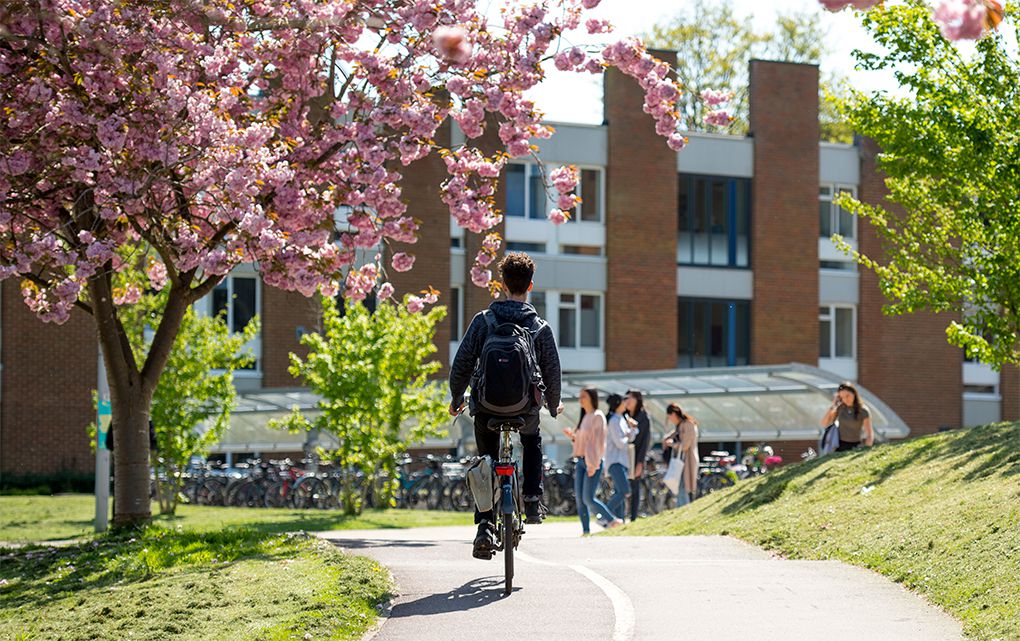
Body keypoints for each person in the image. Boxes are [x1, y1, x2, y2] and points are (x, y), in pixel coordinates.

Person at [449, 252, 563, 560]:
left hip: (486, 410)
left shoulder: (484, 321)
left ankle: (484, 525)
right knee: (532, 440)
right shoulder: (539, 326)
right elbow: (552, 372)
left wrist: (457, 398)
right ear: (531, 286)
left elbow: (461, 364)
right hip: (524, 411)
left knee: (485, 458)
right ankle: (532, 499)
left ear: (502, 284)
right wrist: (553, 406)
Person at [562, 387, 623, 535]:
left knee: (588, 499)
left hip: (592, 461)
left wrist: (592, 464)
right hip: (581, 461)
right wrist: (573, 437)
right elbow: (583, 442)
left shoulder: (598, 416)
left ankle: (612, 520)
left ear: (591, 398)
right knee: (581, 500)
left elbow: (597, 443)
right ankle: (586, 531)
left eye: (583, 396)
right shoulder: (585, 416)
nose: (580, 399)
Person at [604, 393, 638, 520]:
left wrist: (633, 429)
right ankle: (604, 516)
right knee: (625, 491)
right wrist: (629, 435)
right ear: (618, 404)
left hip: (622, 461)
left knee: (620, 492)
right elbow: (620, 443)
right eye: (624, 401)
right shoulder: (613, 421)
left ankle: (619, 521)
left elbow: (631, 436)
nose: (626, 404)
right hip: (615, 461)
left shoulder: (622, 419)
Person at [819, 381, 874, 451]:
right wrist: (833, 406)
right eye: (842, 397)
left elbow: (869, 434)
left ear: (854, 393)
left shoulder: (863, 410)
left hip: (856, 445)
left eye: (847, 396)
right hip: (839, 445)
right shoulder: (840, 408)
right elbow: (824, 423)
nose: (845, 399)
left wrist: (867, 449)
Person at [662, 403, 699, 507]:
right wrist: (666, 439)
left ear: (674, 414)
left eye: (670, 417)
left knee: (683, 486)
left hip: (687, 461)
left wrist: (672, 444)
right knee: (680, 486)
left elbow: (686, 445)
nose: (670, 419)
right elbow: (673, 435)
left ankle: (684, 508)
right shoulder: (681, 425)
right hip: (681, 461)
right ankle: (681, 507)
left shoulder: (688, 424)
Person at [624, 389, 651, 521]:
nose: (627, 401)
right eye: (626, 398)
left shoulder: (643, 417)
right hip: (624, 455)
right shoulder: (625, 415)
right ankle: (624, 515)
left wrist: (640, 462)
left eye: (630, 398)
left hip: (636, 456)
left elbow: (645, 441)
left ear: (637, 400)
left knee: (634, 487)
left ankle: (633, 517)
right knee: (624, 486)